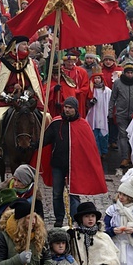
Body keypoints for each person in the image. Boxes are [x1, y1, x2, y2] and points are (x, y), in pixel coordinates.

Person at [41, 97, 107, 227]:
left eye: (70, 107)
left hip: (75, 166)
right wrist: (34, 145)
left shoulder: (82, 125)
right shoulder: (56, 123)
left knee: (74, 194)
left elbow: (89, 147)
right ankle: (59, 219)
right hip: (58, 165)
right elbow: (46, 139)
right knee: (56, 194)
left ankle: (75, 219)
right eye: (66, 107)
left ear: (75, 109)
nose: (67, 109)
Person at [0, 35, 47, 159]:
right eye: (24, 44)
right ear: (16, 47)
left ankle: (45, 147)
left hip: (27, 100)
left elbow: (34, 84)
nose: (27, 47)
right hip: (8, 101)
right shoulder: (3, 63)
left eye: (27, 44)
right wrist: (7, 96)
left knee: (47, 117)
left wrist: (27, 94)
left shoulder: (29, 62)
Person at [108, 61, 133, 168]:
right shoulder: (117, 83)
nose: (129, 74)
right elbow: (113, 99)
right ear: (124, 73)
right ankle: (125, 157)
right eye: (127, 72)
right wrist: (110, 113)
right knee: (123, 136)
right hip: (121, 113)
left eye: (131, 72)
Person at [86, 68, 112, 158]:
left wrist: (110, 113)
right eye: (95, 78)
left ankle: (104, 151)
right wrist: (90, 103)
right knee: (95, 134)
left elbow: (111, 103)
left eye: (98, 78)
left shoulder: (107, 91)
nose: (97, 80)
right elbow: (86, 102)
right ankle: (97, 152)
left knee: (103, 135)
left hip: (103, 114)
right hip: (93, 114)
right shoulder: (90, 91)